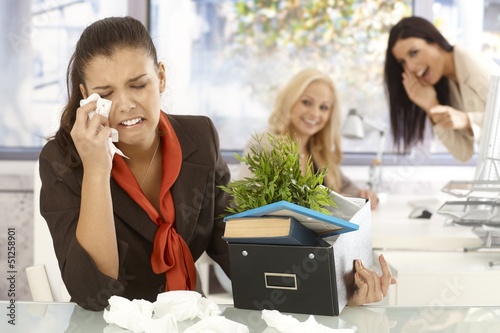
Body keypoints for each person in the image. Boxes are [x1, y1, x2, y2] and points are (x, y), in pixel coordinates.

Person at [39, 17, 392, 311]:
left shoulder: (198, 137)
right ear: (87, 97)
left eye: (138, 84)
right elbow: (91, 292)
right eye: (107, 93)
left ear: (160, 77)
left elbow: (239, 247)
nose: (126, 104)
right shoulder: (63, 161)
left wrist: (338, 290)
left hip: (193, 318)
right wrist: (97, 168)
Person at [239, 68, 380, 210]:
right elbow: (249, 202)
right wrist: (330, 201)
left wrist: (364, 195)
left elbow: (347, 188)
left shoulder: (320, 152)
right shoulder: (263, 145)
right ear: (290, 100)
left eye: (324, 107)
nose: (314, 113)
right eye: (306, 102)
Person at [384, 16, 500, 162]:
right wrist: (431, 105)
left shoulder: (469, 61)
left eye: (414, 53)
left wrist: (466, 120)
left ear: (436, 43)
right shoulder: (446, 84)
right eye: (403, 62)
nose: (411, 67)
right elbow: (463, 153)